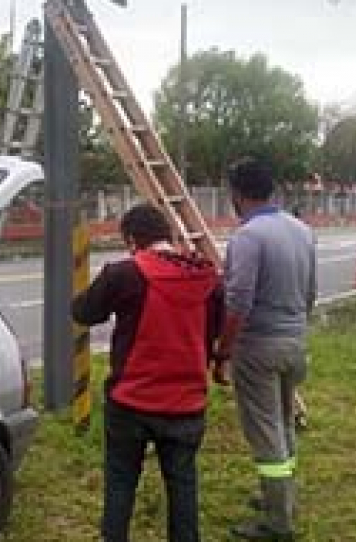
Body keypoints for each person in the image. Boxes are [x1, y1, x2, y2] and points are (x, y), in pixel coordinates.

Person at [72, 203, 223, 542]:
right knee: (183, 485)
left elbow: (85, 313)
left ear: (131, 239)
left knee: (121, 481)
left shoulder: (123, 274)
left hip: (131, 402)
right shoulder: (207, 277)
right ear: (166, 236)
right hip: (186, 403)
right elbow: (212, 332)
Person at [212, 159, 317, 542]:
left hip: (258, 347)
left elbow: (238, 302)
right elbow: (310, 292)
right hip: (295, 342)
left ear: (237, 195)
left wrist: (223, 352)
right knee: (284, 422)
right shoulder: (303, 231)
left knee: (265, 431)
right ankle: (283, 499)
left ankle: (277, 522)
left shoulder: (248, 237)